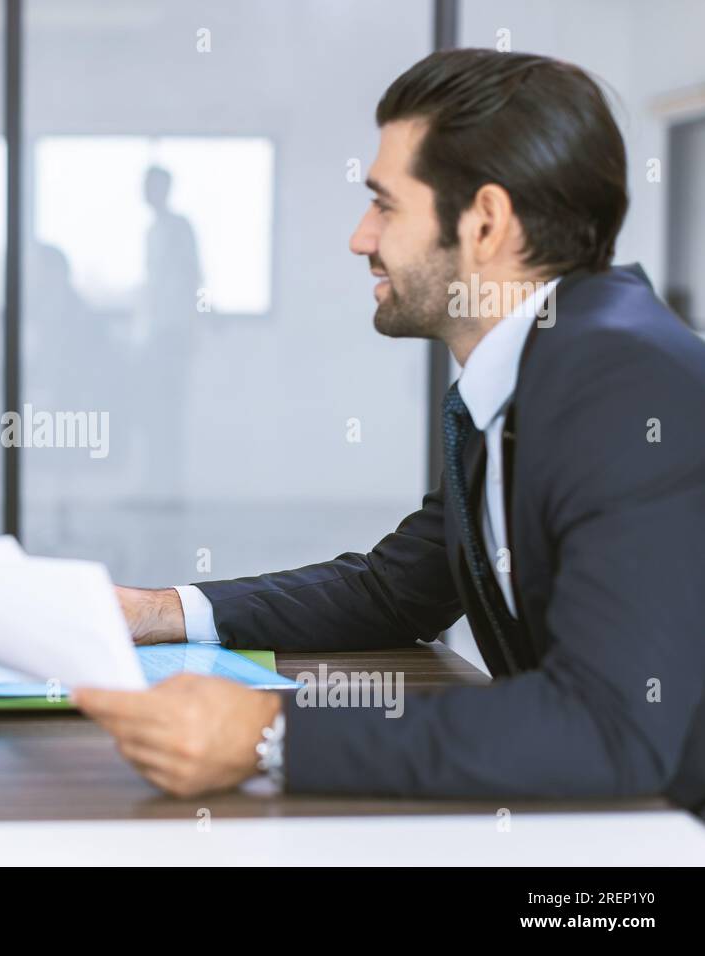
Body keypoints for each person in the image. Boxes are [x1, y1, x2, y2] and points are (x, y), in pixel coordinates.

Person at [75, 49, 705, 814]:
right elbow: (396, 591)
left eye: (385, 205)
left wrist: (272, 738)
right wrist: (159, 611)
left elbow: (611, 729)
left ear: (485, 223)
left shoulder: (624, 382)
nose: (360, 237)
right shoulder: (537, 367)